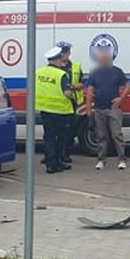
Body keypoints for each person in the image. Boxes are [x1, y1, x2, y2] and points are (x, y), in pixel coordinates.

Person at [84, 37, 130, 170]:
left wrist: (121, 99)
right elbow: (90, 91)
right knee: (101, 136)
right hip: (98, 108)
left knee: (117, 135)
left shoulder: (117, 72)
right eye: (100, 60)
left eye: (105, 59)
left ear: (110, 59)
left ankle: (121, 159)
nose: (103, 62)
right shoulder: (95, 73)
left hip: (113, 109)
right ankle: (101, 160)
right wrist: (88, 110)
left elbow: (128, 85)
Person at [36, 46, 75, 174]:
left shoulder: (39, 72)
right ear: (57, 60)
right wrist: (74, 95)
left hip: (45, 110)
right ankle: (57, 163)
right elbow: (67, 93)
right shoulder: (61, 74)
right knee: (61, 138)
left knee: (49, 137)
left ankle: (50, 163)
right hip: (61, 111)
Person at [57, 41, 82, 164]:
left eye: (67, 52)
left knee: (70, 131)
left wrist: (75, 86)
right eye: (64, 52)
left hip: (71, 102)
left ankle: (66, 154)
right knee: (55, 132)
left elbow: (83, 82)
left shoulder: (76, 66)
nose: (67, 55)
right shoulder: (54, 67)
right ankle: (53, 156)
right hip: (58, 103)